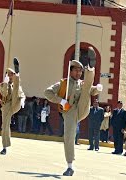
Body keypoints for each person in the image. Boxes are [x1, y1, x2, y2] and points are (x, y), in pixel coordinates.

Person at [44, 47, 103, 176]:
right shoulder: (63, 83)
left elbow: (90, 90)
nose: (79, 73)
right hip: (69, 111)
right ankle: (70, 165)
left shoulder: (82, 83)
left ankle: (91, 68)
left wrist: (97, 89)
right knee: (69, 136)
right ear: (70, 71)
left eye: (81, 71)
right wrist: (61, 101)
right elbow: (47, 92)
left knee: (87, 86)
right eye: (76, 70)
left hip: (82, 108)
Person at [0, 58, 25, 155]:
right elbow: (3, 94)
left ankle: (18, 73)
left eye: (12, 74)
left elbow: (21, 93)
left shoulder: (17, 86)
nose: (10, 75)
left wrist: (23, 100)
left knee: (17, 87)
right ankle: (5, 147)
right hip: (7, 105)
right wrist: (5, 83)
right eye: (8, 74)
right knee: (5, 126)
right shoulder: (3, 85)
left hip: (16, 103)